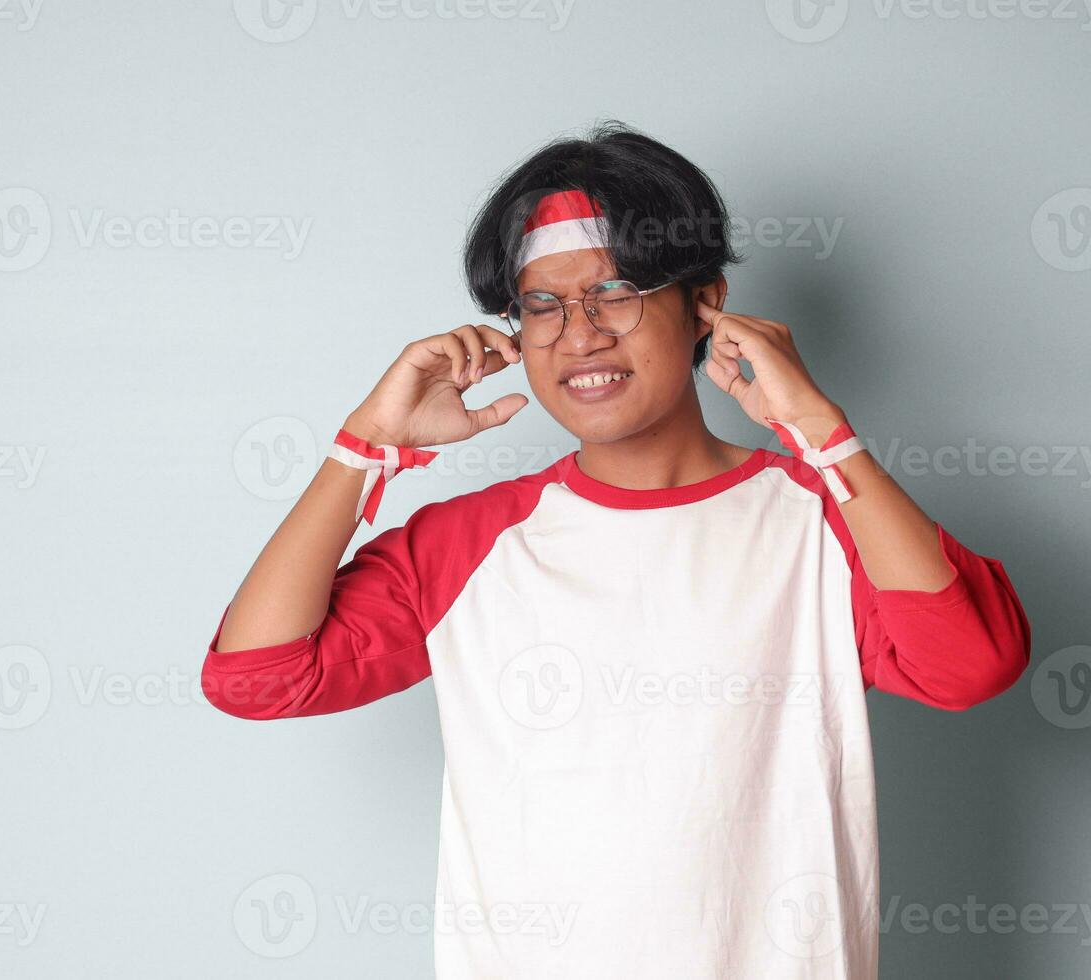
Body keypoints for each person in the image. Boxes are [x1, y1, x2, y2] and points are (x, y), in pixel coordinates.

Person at [201, 120, 1031, 979]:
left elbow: (971, 662)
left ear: (702, 302)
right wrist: (366, 445)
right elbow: (258, 675)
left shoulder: (825, 519)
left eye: (617, 291)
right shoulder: (466, 546)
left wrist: (821, 431)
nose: (581, 334)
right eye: (541, 305)